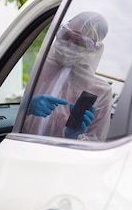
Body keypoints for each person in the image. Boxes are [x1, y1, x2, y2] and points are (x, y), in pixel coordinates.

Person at [22, 11, 112, 141]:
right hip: (22, 149)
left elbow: (96, 142)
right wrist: (27, 106)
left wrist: (75, 136)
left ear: (94, 49)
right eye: (66, 36)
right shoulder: (40, 66)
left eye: (79, 42)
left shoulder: (101, 90)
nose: (69, 44)